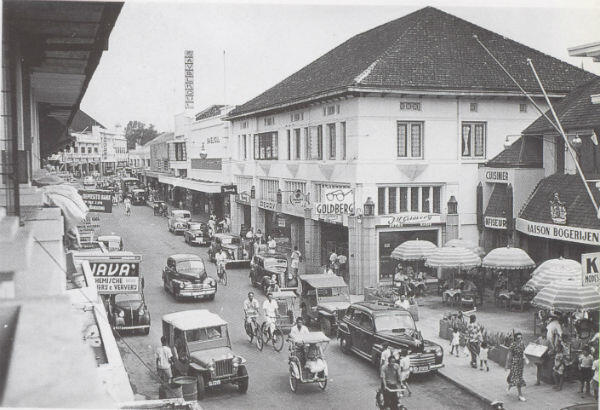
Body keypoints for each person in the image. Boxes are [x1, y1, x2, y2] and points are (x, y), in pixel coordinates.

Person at [506, 332, 529, 401]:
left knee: (516, 377)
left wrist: (525, 359)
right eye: (518, 338)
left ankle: (508, 387)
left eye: (521, 338)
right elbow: (509, 355)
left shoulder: (522, 344)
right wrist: (507, 365)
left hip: (521, 363)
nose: (520, 339)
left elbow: (523, 352)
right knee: (518, 379)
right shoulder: (512, 345)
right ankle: (520, 395)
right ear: (515, 338)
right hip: (515, 363)